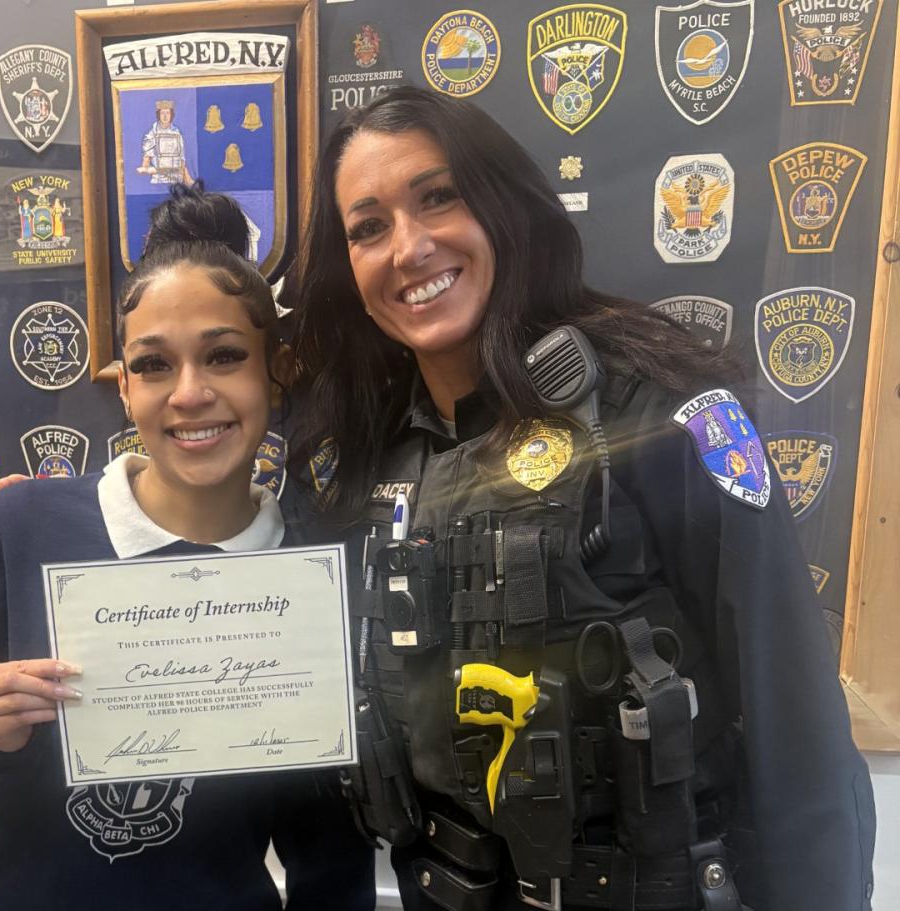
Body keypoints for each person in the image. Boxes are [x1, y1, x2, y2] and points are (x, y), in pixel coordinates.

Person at [286, 86, 875, 911]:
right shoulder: (364, 459)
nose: (409, 248)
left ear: (502, 205)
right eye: (368, 226)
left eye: (438, 197)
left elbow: (796, 725)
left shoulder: (660, 412)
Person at [0, 184, 374, 910]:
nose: (188, 393)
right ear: (123, 388)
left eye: (225, 355)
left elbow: (329, 847)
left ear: (277, 371)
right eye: (152, 364)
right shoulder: (18, 530)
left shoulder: (308, 584)